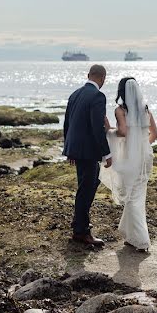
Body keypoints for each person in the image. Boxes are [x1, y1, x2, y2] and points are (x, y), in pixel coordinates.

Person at [99, 77, 157, 252]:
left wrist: (109, 130)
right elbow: (154, 134)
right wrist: (142, 145)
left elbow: (123, 132)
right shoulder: (146, 110)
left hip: (130, 157)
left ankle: (142, 240)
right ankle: (130, 234)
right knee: (139, 193)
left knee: (132, 197)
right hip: (146, 155)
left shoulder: (120, 110)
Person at [63, 64, 112, 247]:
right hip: (89, 151)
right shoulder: (98, 96)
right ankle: (81, 231)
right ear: (103, 78)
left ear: (88, 75)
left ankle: (79, 223)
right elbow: (96, 127)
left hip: (77, 149)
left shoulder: (75, 94)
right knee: (86, 189)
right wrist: (107, 153)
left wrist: (69, 149)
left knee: (89, 185)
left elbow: (67, 123)